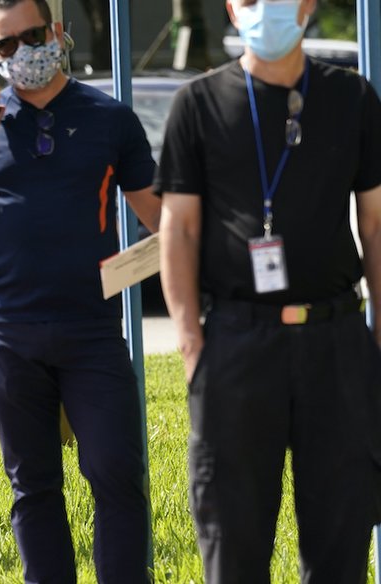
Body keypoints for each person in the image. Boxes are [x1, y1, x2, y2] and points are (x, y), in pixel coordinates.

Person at [0, 0, 161, 582]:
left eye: (32, 36)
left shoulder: (108, 117)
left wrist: (148, 266)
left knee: (116, 471)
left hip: (91, 332)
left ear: (58, 33)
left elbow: (160, 216)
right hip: (8, 330)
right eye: (5, 45)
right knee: (33, 484)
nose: (22, 52)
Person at [156, 1, 381, 581]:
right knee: (232, 542)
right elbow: (177, 229)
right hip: (235, 343)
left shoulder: (352, 97)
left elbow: (377, 224)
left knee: (340, 542)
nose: (268, 8)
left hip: (335, 344)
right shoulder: (198, 105)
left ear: (309, 4)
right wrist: (191, 347)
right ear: (232, 8)